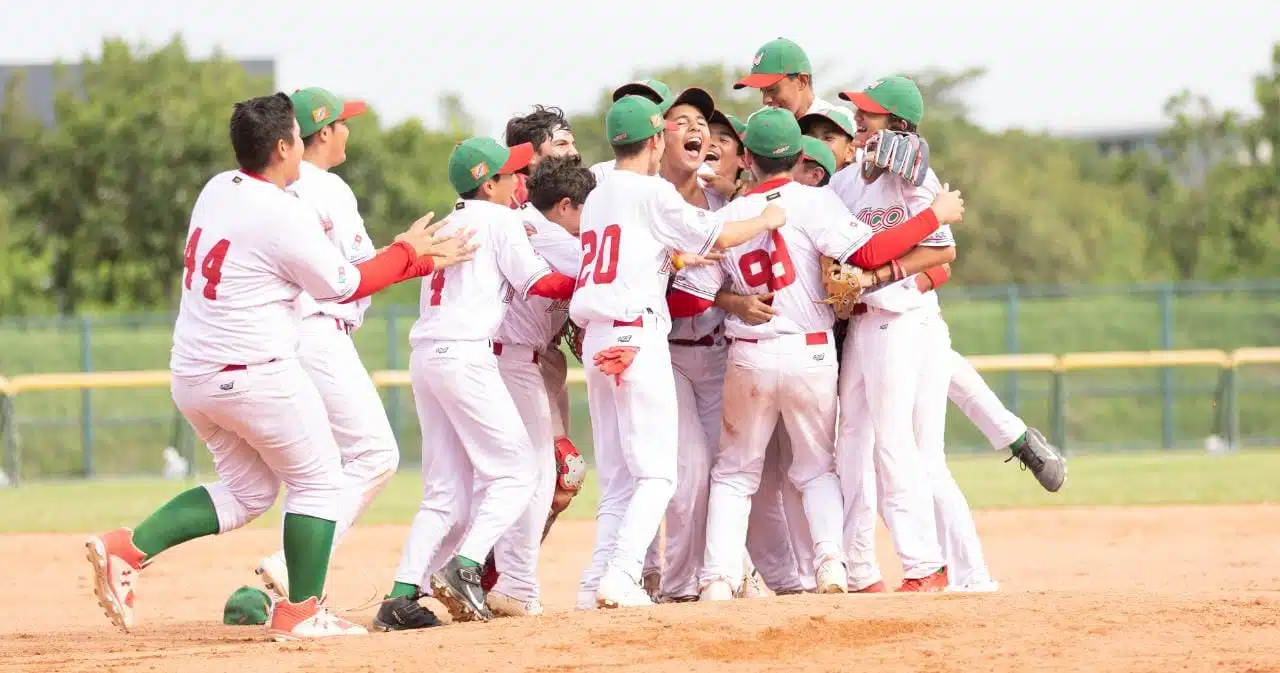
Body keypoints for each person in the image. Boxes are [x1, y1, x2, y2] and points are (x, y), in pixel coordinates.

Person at [84, 92, 475, 641]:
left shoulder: (218, 188)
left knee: (248, 493)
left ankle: (127, 548)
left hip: (193, 377)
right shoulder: (281, 213)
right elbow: (344, 284)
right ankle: (304, 612)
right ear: (284, 146)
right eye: (295, 136)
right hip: (253, 375)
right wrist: (410, 252)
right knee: (318, 482)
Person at [668, 107, 958, 600]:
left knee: (736, 473)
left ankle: (717, 579)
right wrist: (934, 216)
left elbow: (690, 295)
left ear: (748, 159)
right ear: (800, 155)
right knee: (817, 469)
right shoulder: (815, 202)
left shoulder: (730, 215)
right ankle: (831, 567)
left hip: (749, 353)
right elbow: (869, 255)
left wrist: (731, 300)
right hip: (812, 355)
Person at [571, 95, 787, 610]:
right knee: (660, 473)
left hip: (599, 336)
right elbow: (722, 230)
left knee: (622, 478)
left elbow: (647, 249)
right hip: (636, 336)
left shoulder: (600, 194)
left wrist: (676, 255)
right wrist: (766, 217)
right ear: (653, 141)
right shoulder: (651, 191)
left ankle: (592, 586)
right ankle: (623, 574)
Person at [386, 136, 577, 624]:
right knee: (517, 473)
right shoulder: (500, 219)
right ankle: (466, 566)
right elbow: (541, 284)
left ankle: (401, 596)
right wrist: (602, 277)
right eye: (509, 175)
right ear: (488, 183)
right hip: (465, 356)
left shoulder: (450, 220)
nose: (518, 181)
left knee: (445, 488)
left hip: (426, 357)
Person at [248, 86, 399, 604]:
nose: (348, 131)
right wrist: (409, 257)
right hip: (320, 333)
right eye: (342, 123)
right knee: (376, 454)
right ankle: (292, 568)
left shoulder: (268, 186)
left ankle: (277, 589)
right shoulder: (330, 188)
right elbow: (358, 274)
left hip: (283, 334)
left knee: (318, 469)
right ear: (325, 132)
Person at [836, 75, 981, 592]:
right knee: (850, 443)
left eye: (869, 114)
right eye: (858, 111)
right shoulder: (848, 180)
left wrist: (876, 276)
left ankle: (924, 564)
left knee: (893, 444)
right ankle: (859, 568)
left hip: (899, 321)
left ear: (898, 123)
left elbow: (941, 251)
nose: (858, 119)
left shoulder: (917, 180)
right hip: (860, 325)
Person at [481, 156, 596, 618]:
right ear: (565, 206)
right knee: (545, 470)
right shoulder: (548, 234)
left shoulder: (526, 224)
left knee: (534, 473)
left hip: (522, 358)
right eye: (585, 208)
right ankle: (510, 582)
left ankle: (489, 576)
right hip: (510, 359)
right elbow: (603, 270)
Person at [588, 79, 672, 184]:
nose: (632, 108)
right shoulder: (601, 174)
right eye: (626, 101)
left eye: (646, 102)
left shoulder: (687, 171)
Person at [733, 38, 836, 118]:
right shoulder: (759, 122)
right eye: (762, 91)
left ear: (802, 81)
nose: (765, 100)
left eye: (772, 90)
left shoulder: (838, 121)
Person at [504, 105, 579, 207]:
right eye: (561, 144)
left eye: (573, 144)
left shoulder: (586, 194)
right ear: (530, 156)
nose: (574, 153)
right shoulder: (509, 201)